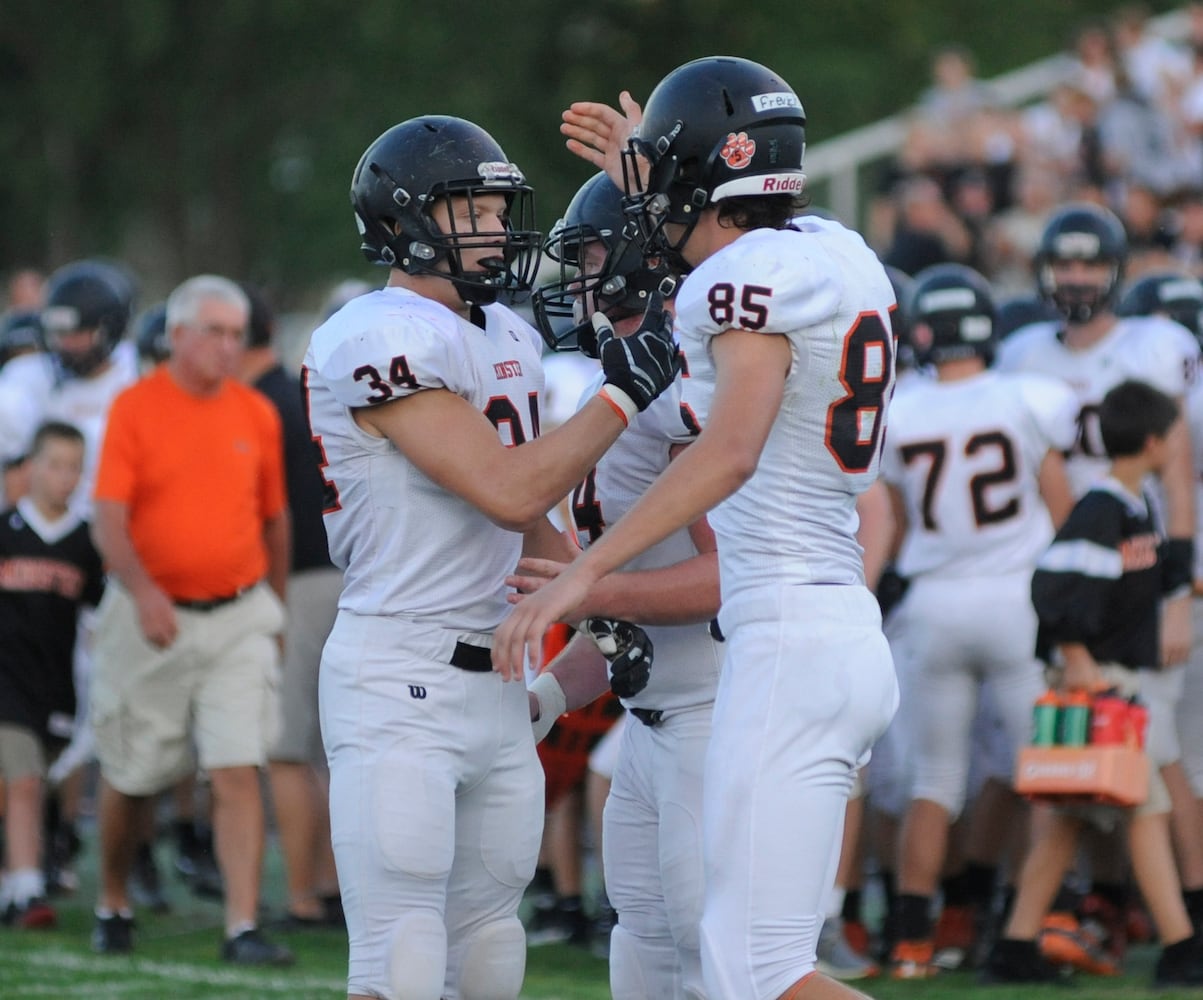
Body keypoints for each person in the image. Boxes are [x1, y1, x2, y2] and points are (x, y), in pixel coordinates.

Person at [494, 56, 900, 1000]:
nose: (646, 221)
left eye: (662, 191)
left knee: (753, 970)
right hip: (822, 623)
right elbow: (724, 225)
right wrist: (659, 168)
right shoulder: (837, 250)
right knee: (728, 960)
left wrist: (582, 577)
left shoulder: (742, 281)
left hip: (786, 637)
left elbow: (728, 455)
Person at [303, 115, 679, 1000]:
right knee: (400, 955)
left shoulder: (504, 335)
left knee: (487, 949)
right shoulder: (376, 333)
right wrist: (625, 388)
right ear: (405, 222)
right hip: (399, 670)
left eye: (496, 206)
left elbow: (533, 522)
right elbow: (503, 489)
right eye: (469, 207)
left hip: (499, 680)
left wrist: (594, 604)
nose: (492, 226)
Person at [520, 170, 723, 996]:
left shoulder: (682, 391)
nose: (577, 277)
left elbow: (724, 578)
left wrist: (584, 589)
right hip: (651, 717)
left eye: (592, 254)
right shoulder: (616, 385)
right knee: (641, 940)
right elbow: (620, 617)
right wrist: (537, 701)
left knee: (712, 953)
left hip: (718, 708)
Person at [996, 203, 1203, 939]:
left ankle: (1171, 913)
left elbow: (1175, 472)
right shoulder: (1022, 352)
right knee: (1078, 757)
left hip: (1138, 574)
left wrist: (1177, 589)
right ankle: (1087, 912)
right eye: (1065, 263)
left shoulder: (1155, 344)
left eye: (1089, 262)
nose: (1076, 277)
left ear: (1115, 270)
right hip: (1071, 570)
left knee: (1155, 752)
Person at [877, 263, 1077, 979]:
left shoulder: (899, 411)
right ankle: (1024, 929)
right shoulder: (1027, 398)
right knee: (1043, 776)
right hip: (1017, 601)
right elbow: (1062, 515)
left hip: (933, 603)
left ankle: (908, 938)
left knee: (934, 780)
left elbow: (892, 525)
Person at [89, 274, 293, 966]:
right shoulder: (134, 408)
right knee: (134, 778)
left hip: (238, 616)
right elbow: (109, 519)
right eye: (215, 331)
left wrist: (279, 609)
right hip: (150, 618)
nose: (228, 347)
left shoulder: (256, 413)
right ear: (176, 335)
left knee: (238, 768)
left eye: (237, 335)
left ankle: (240, 926)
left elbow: (275, 519)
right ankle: (112, 897)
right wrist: (143, 593)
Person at [982, 379, 1203, 987]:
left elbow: (1134, 584)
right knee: (1146, 809)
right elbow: (1052, 585)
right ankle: (1182, 948)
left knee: (1068, 818)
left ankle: (1015, 947)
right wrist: (1077, 659)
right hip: (1098, 680)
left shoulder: (1133, 505)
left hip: (1115, 676)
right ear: (1156, 441)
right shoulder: (1102, 508)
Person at [237, 283, 343, 929]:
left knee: (286, 749)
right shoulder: (299, 394)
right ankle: (332, 887)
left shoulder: (257, 405)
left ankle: (304, 895)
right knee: (332, 751)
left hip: (299, 580)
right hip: (345, 576)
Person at [0, 421, 104, 927]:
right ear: (32, 466)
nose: (64, 477)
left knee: (33, 785)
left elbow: (100, 616)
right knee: (22, 781)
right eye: (55, 464)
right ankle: (25, 890)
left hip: (57, 688)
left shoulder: (86, 543)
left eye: (74, 467)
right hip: (6, 684)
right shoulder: (5, 531)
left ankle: (18, 876)